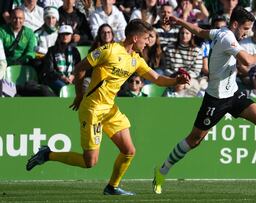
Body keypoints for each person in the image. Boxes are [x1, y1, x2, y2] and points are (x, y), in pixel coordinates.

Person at [26, 19, 190, 195]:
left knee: (129, 151)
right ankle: (47, 154)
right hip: (93, 109)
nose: (147, 42)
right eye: (145, 38)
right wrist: (80, 94)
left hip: (110, 110)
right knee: (90, 162)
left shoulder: (136, 60)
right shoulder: (109, 50)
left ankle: (112, 187)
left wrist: (175, 81)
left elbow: (157, 79)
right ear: (135, 38)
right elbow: (79, 68)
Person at [152, 6, 256, 195]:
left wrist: (179, 21)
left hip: (233, 93)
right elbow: (247, 61)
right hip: (215, 99)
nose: (247, 33)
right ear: (235, 24)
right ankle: (162, 171)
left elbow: (199, 31)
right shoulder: (227, 38)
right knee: (195, 139)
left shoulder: (220, 32)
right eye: (245, 29)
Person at [41, 25, 81, 95]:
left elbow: (79, 66)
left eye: (67, 34)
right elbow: (49, 70)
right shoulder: (52, 50)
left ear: (71, 36)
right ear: (59, 36)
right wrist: (62, 77)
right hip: (54, 78)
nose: (65, 36)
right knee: (63, 87)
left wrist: (73, 75)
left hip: (71, 78)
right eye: (63, 34)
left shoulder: (74, 51)